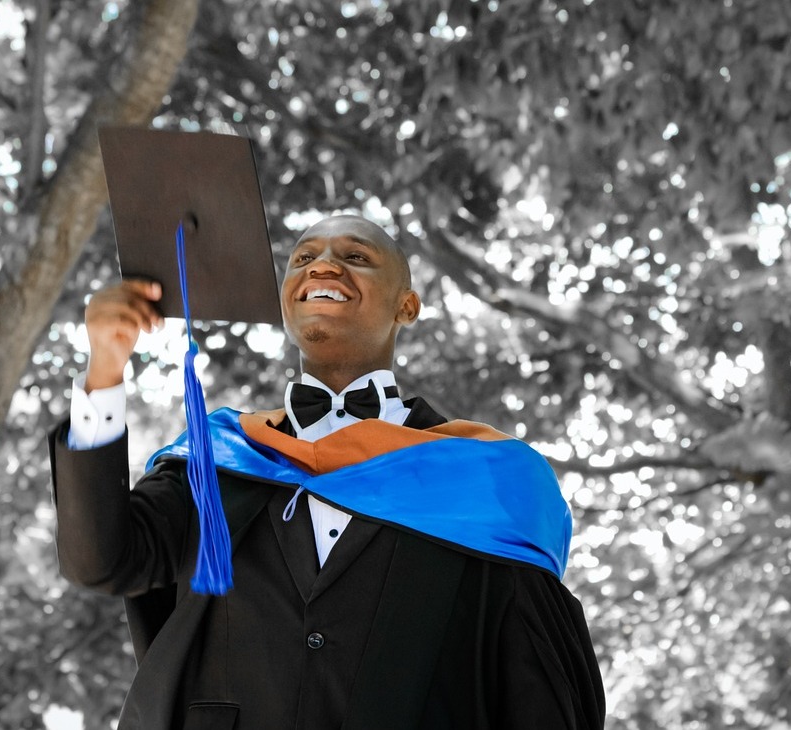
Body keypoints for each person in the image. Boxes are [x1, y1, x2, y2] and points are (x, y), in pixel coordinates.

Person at [49, 214, 605, 730]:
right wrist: (104, 369)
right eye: (303, 257)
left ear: (406, 307)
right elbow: (100, 559)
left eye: (357, 257)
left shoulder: (489, 481)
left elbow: (537, 688)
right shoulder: (219, 459)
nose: (322, 265)